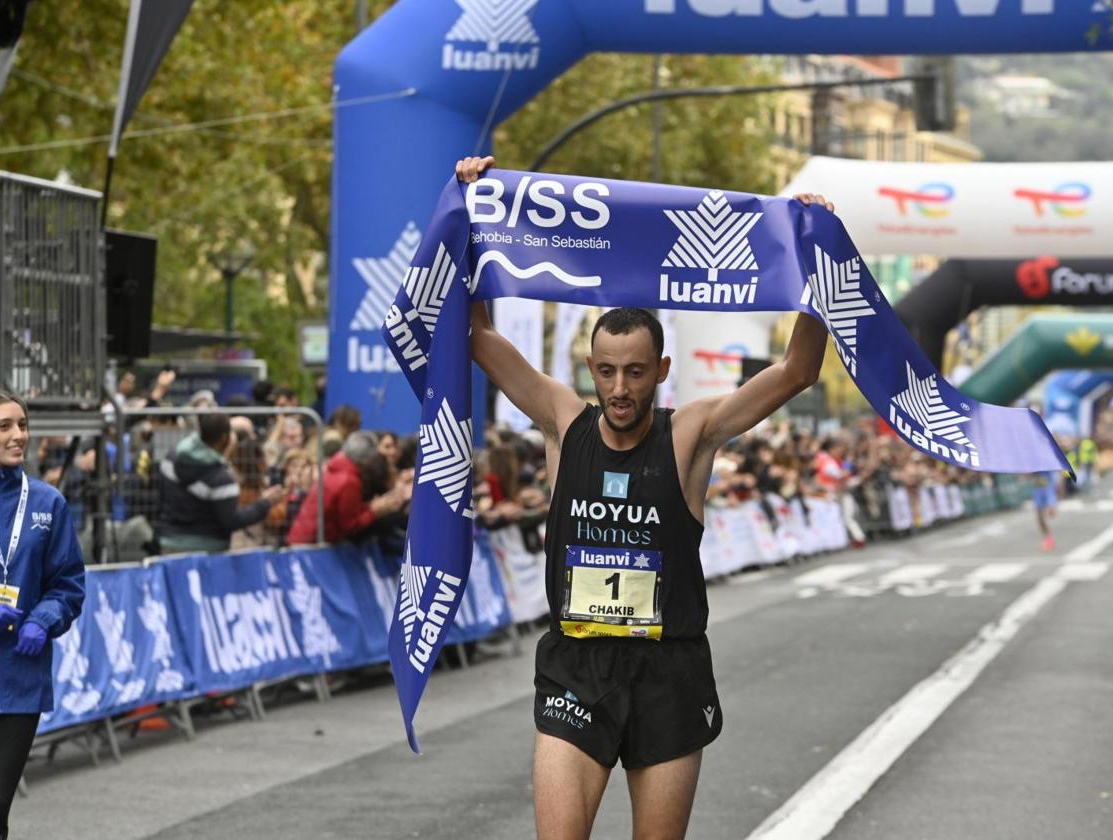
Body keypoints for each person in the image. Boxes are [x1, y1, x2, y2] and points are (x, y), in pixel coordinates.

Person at [456, 155, 831, 840]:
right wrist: (471, 210)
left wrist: (818, 254)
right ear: (589, 370)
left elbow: (798, 370)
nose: (620, 388)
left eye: (634, 372)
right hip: (579, 661)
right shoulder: (562, 421)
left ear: (660, 370)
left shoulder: (690, 434)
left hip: (668, 666)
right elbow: (479, 336)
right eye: (606, 371)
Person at [0, 391, 85, 839]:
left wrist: (44, 618)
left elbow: (69, 582)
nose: (18, 435)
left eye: (22, 424)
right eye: (4, 426)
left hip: (19, 676)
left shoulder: (47, 502)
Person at [156, 413, 285, 553]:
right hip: (208, 550)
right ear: (225, 437)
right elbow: (232, 521)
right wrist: (265, 503)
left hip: (169, 542)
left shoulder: (170, 459)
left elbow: (160, 498)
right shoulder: (221, 480)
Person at [285, 431, 412, 545]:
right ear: (366, 460)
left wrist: (369, 507)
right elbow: (349, 527)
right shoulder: (349, 481)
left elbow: (344, 512)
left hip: (301, 538)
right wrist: (374, 511)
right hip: (312, 546)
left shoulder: (335, 468)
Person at [1032, 470, 1061, 551]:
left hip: (1047, 489)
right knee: (1040, 519)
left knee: (1047, 516)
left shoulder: (1048, 464)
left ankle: (1049, 540)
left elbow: (1056, 475)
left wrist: (1052, 503)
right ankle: (1048, 538)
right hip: (1038, 490)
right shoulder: (1034, 464)